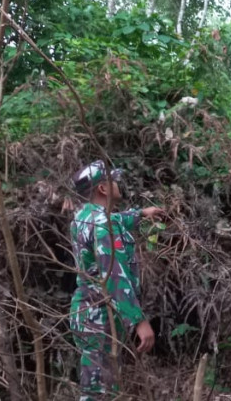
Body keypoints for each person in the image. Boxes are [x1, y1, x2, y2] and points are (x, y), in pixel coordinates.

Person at [69, 160, 164, 400]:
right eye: (113, 180)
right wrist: (138, 321)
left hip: (86, 313)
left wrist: (142, 213)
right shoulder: (105, 224)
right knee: (98, 393)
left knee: (101, 387)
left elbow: (117, 220)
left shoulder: (84, 217)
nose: (118, 184)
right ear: (103, 188)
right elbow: (114, 276)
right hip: (100, 317)